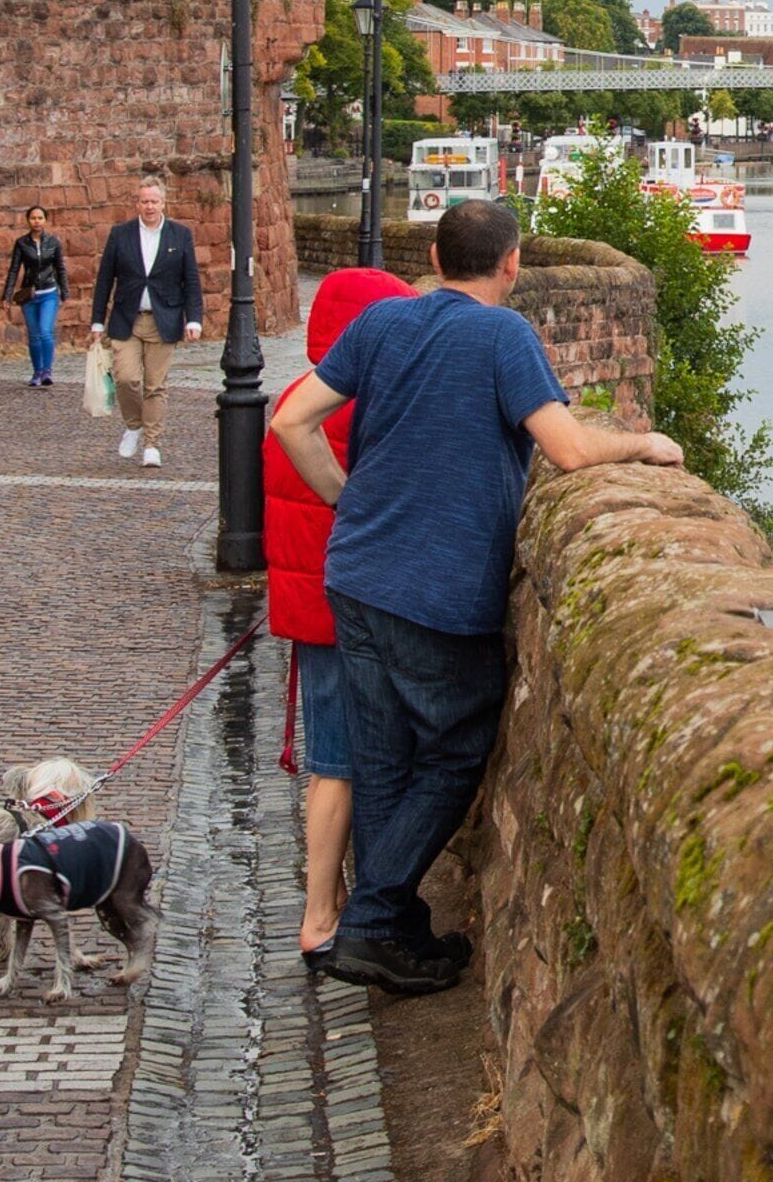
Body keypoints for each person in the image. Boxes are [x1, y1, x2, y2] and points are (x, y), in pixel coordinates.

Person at [267, 199, 681, 996]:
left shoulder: (384, 324)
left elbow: (292, 421)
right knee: (456, 748)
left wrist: (345, 500)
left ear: (433, 254)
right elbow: (566, 448)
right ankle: (372, 919)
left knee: (384, 762)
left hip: (355, 576)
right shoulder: (503, 337)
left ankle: (393, 932)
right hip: (439, 587)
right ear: (512, 263)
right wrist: (643, 443)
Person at [264, 265, 413, 968]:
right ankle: (321, 917)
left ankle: (336, 904)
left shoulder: (304, 392)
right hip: (341, 611)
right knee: (339, 764)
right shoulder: (354, 404)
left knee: (337, 761)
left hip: (312, 608)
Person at [92, 175, 202, 467]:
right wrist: (96, 322)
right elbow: (105, 279)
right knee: (126, 378)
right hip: (126, 318)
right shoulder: (121, 234)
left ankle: (152, 444)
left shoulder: (180, 235)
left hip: (163, 318)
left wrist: (194, 319)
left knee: (155, 386)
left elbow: (190, 280)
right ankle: (133, 425)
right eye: (144, 201)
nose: (149, 206)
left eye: (154, 201)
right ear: (137, 203)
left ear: (163, 202)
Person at [3, 205, 70, 388]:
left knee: (45, 331)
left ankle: (47, 370)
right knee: (34, 335)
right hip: (30, 294)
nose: (36, 221)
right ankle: (37, 371)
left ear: (45, 220)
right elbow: (14, 269)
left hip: (49, 292)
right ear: (28, 220)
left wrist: (64, 291)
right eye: (33, 218)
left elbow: (60, 268)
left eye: (40, 218)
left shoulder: (53, 242)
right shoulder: (22, 243)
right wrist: (7, 294)